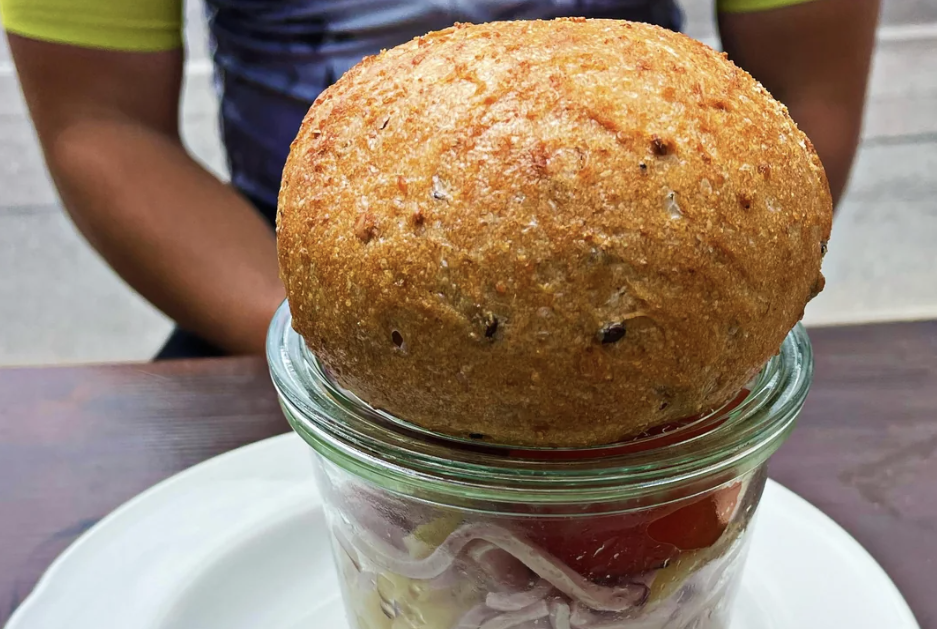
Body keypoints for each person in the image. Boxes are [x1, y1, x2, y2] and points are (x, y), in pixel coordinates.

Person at [2, 0, 879, 361]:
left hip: (648, 278)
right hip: (281, 278)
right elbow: (98, 121)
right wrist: (320, 344)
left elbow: (805, 94)